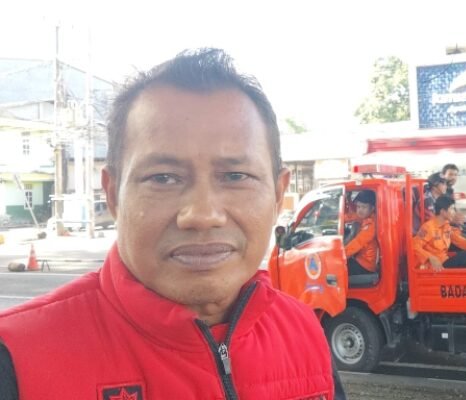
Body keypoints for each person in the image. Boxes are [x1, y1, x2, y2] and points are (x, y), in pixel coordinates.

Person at [0, 49, 345, 399]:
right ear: (113, 194)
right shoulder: (15, 358)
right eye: (163, 178)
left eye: (236, 176)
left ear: (278, 194)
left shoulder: (304, 334)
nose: (202, 215)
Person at [413, 195, 466, 270]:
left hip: (444, 262)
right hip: (435, 267)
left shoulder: (446, 226)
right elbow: (414, 246)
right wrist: (430, 257)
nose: (454, 212)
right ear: (443, 212)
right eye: (451, 209)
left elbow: (461, 241)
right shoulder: (428, 227)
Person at [345, 190, 378, 275]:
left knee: (336, 270)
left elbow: (358, 242)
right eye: (358, 207)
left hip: (365, 266)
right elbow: (351, 216)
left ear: (372, 208)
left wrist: (342, 254)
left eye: (364, 207)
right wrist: (336, 219)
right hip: (360, 259)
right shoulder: (365, 217)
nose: (360, 210)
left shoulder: (371, 225)